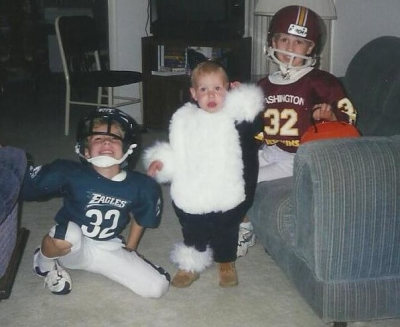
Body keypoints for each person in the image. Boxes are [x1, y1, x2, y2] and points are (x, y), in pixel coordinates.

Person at [237, 5, 358, 257]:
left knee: (244, 181)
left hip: (297, 158)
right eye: (284, 39)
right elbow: (256, 126)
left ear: (311, 47)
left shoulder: (322, 82)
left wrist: (331, 117)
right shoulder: (264, 84)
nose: (290, 48)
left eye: (299, 42)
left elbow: (350, 119)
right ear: (272, 41)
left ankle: (245, 228)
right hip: (270, 149)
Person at [21, 107, 170, 298]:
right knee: (67, 233)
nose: (107, 141)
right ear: (86, 151)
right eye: (98, 138)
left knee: (157, 288)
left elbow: (141, 217)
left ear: (127, 149)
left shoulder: (141, 185)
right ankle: (44, 263)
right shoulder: (71, 174)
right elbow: (26, 184)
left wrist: (131, 249)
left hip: (109, 245)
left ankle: (126, 264)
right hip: (72, 246)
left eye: (114, 138)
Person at [144, 61, 263, 288]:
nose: (211, 95)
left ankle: (226, 262)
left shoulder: (233, 117)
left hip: (224, 187)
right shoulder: (183, 118)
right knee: (192, 228)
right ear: (193, 93)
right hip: (193, 187)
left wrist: (243, 100)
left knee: (226, 227)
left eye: (218, 89)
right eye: (203, 89)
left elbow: (254, 129)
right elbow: (176, 149)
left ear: (227, 90)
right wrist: (161, 161)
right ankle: (191, 264)